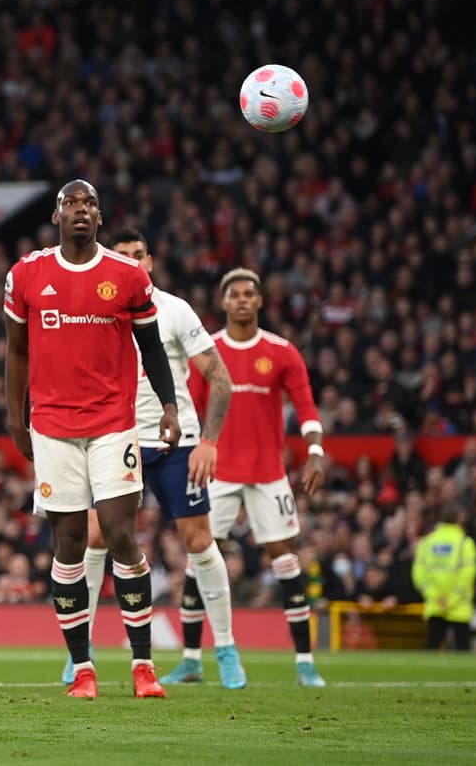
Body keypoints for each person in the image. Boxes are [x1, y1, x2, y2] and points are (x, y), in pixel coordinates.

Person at [4, 181, 181, 700]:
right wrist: (16, 419)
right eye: (71, 204)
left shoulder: (127, 275)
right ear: (56, 215)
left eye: (89, 204)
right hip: (52, 428)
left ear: (100, 217)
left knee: (121, 534)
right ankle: (83, 670)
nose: (80, 211)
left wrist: (169, 407)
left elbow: (152, 348)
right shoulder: (26, 274)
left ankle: (143, 666)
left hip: (112, 424)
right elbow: (16, 352)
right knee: (69, 544)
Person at [60, 228, 244, 689]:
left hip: (175, 444)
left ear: (151, 261)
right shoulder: (94, 307)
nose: (132, 261)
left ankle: (225, 648)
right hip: (115, 438)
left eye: (138, 254)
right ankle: (81, 651)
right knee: (95, 535)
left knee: (199, 541)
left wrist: (210, 441)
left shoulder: (175, 310)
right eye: (122, 255)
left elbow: (220, 379)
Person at [190, 268, 328, 687]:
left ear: (261, 301)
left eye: (250, 293)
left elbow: (306, 407)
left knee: (286, 560)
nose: (242, 300)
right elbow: (191, 407)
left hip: (269, 475)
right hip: (218, 473)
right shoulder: (207, 350)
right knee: (199, 555)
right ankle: (191, 659)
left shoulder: (282, 352)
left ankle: (305, 661)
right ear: (224, 302)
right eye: (235, 294)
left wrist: (315, 452)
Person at [412, 502, 476, 651]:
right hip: (459, 606)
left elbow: (419, 575)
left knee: (432, 646)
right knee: (462, 650)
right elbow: (468, 575)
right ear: (459, 519)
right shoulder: (465, 543)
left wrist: (436, 597)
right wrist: (453, 599)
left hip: (436, 604)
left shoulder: (426, 542)